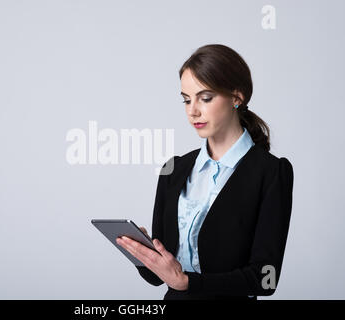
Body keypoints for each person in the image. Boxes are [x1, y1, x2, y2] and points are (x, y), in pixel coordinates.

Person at [116, 44, 294, 300]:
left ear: (236, 97)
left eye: (205, 98)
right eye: (186, 99)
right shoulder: (173, 169)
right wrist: (145, 255)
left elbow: (265, 279)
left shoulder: (271, 172)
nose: (192, 111)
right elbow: (159, 278)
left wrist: (188, 282)